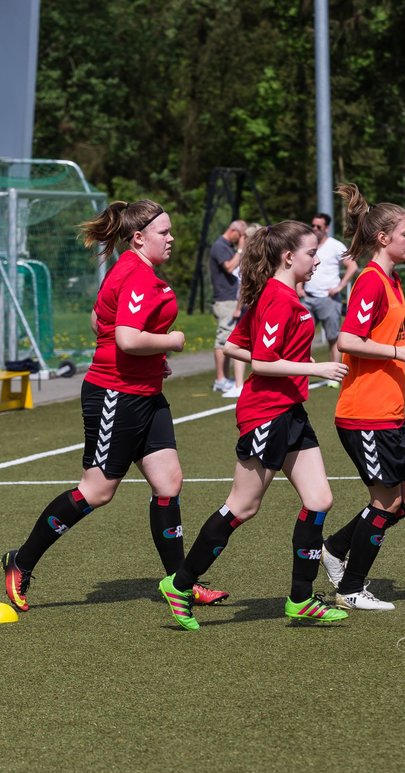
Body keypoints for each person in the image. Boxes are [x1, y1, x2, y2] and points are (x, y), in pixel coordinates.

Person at [1, 199, 229, 612]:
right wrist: (171, 342)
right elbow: (125, 338)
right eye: (164, 232)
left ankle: (180, 583)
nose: (172, 238)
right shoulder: (136, 274)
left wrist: (152, 359)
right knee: (97, 491)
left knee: (168, 483)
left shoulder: (129, 270)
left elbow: (98, 320)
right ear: (139, 237)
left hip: (145, 394)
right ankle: (21, 561)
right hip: (115, 395)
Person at [159, 220, 350, 631]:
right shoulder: (278, 298)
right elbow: (261, 361)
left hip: (290, 412)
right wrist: (316, 368)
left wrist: (302, 375)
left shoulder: (276, 296)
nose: (316, 259)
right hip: (265, 414)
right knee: (243, 506)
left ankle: (301, 598)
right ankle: (181, 584)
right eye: (311, 253)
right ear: (288, 257)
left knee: (319, 500)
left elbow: (233, 344)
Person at [320, 186, 405, 611]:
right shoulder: (369, 280)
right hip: (364, 414)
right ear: (383, 238)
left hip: (392, 413)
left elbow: (385, 336)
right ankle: (351, 588)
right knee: (385, 502)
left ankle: (336, 547)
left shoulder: (393, 280)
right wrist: (397, 352)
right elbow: (348, 340)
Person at [301, 212, 359, 379]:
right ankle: (302, 374)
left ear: (326, 228)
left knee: (333, 338)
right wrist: (299, 287)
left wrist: (340, 286)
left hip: (328, 299)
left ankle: (334, 376)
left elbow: (352, 266)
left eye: (318, 226)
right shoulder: (307, 244)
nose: (314, 229)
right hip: (308, 299)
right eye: (312, 225)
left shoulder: (335, 245)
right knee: (302, 338)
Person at [209, 220, 248, 398]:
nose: (240, 239)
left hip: (231, 298)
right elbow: (230, 266)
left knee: (229, 338)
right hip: (225, 299)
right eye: (240, 235)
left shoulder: (226, 246)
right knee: (223, 339)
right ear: (233, 231)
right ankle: (220, 379)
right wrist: (240, 249)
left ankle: (225, 377)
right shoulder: (219, 246)